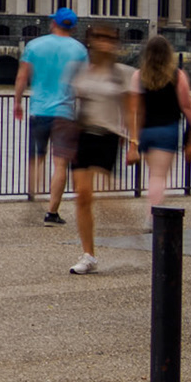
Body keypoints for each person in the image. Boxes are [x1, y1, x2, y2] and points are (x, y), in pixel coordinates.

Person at [65, 25, 137, 276]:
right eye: (99, 37)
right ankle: (88, 254)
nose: (104, 42)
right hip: (84, 134)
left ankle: (130, 228)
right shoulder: (82, 72)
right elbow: (76, 106)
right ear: (90, 42)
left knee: (106, 197)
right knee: (83, 196)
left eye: (109, 38)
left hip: (108, 136)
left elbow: (130, 111)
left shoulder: (122, 74)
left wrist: (134, 144)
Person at [13, 7, 87, 225]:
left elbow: (21, 77)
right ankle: (52, 212)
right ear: (73, 27)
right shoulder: (80, 50)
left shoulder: (34, 46)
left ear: (54, 23)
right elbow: (84, 84)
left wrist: (17, 102)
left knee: (36, 158)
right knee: (60, 164)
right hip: (65, 113)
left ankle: (32, 201)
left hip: (39, 110)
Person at [129, 35, 191, 217]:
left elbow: (134, 110)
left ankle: (152, 211)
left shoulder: (138, 76)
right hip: (167, 130)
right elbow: (187, 106)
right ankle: (152, 216)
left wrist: (133, 141)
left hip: (145, 131)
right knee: (159, 177)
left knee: (153, 174)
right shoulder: (177, 76)